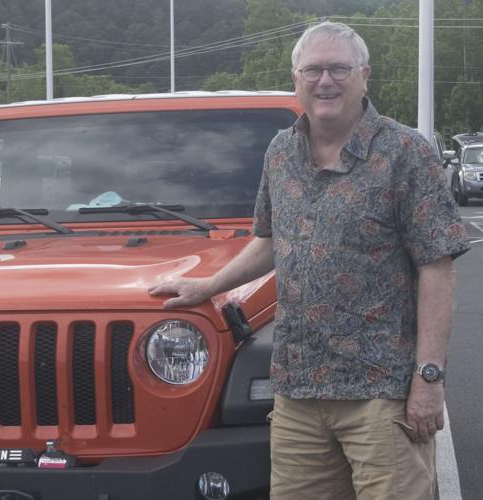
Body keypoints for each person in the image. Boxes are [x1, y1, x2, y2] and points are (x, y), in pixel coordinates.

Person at [149, 21, 470, 500]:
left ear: (364, 75)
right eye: (313, 70)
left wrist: (429, 378)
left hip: (381, 393)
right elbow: (270, 241)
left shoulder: (405, 153)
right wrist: (207, 286)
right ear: (296, 78)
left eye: (339, 68)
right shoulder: (281, 152)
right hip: (298, 393)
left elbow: (437, 268)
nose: (326, 81)